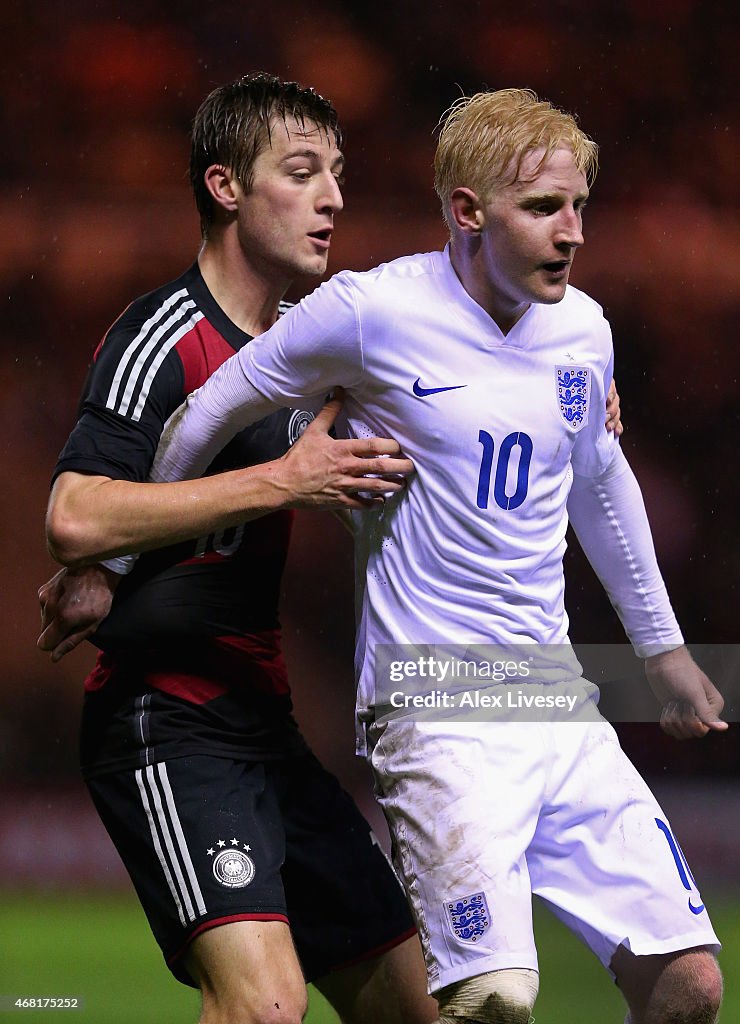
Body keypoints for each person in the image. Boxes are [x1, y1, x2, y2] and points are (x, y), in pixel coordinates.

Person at [135, 88, 728, 1023]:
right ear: (465, 212)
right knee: (492, 999)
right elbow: (211, 408)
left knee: (688, 987)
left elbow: (599, 489)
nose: (571, 232)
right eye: (542, 209)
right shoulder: (369, 313)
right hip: (434, 706)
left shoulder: (584, 331)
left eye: (578, 207)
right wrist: (139, 551)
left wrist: (663, 653)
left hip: (553, 697)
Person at [40, 72, 434, 1024]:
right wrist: (281, 483)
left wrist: (581, 406)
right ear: (225, 188)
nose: (332, 196)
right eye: (301, 173)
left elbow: (457, 396)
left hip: (265, 726)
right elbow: (74, 514)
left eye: (336, 173)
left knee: (417, 1009)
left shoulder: (310, 344)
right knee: (263, 1007)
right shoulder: (161, 335)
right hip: (164, 719)